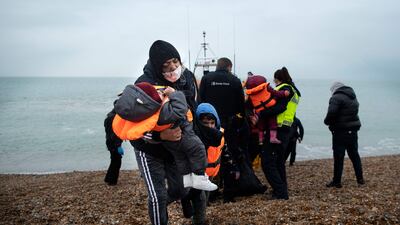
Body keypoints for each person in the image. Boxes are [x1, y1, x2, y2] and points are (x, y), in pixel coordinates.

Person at [125, 40, 205, 225]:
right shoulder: (143, 85)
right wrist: (159, 135)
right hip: (148, 148)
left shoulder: (187, 78)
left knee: (180, 190)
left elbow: (193, 109)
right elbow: (132, 129)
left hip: (176, 148)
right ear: (157, 66)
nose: (172, 67)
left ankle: (182, 203)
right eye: (166, 65)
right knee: (157, 196)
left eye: (175, 61)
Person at [112, 82, 216, 191]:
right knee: (198, 149)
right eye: (158, 94)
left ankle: (187, 178)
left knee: (180, 156)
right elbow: (180, 109)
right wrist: (174, 94)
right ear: (151, 103)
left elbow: (143, 133)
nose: (160, 93)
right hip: (183, 134)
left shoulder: (142, 115)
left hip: (169, 142)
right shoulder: (164, 113)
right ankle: (200, 177)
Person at [198, 57, 247, 202]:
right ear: (229, 67)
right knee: (228, 157)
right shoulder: (235, 80)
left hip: (209, 124)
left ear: (217, 66)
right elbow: (241, 106)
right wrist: (239, 124)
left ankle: (210, 193)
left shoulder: (207, 79)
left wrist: (200, 123)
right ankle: (229, 194)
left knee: (207, 157)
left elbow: (199, 102)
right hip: (229, 124)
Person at [259, 67, 301, 200]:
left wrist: (261, 113)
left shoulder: (283, 88)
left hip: (276, 128)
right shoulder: (295, 91)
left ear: (277, 79)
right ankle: (282, 189)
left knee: (267, 162)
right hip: (287, 129)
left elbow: (279, 108)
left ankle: (281, 191)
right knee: (278, 162)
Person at [181, 103, 224, 218]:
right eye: (205, 123)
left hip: (210, 174)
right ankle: (197, 219)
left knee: (205, 200)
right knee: (200, 200)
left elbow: (223, 154)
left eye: (212, 123)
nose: (209, 127)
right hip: (197, 176)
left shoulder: (220, 135)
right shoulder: (194, 138)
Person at [324, 82, 364, 188]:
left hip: (340, 131)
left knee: (339, 157)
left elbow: (331, 113)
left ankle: (337, 181)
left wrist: (327, 122)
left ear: (334, 89)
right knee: (354, 155)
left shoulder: (336, 98)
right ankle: (360, 179)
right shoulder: (352, 97)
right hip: (353, 130)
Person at [245, 74, 290, 145]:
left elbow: (249, 105)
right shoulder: (266, 87)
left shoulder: (250, 94)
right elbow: (276, 93)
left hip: (260, 111)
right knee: (273, 123)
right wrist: (284, 93)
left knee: (261, 125)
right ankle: (273, 138)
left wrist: (252, 115)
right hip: (270, 107)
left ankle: (260, 140)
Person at [103, 102, 123, 186]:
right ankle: (112, 181)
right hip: (113, 143)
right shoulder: (113, 118)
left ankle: (108, 178)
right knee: (116, 161)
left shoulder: (110, 116)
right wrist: (118, 146)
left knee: (114, 160)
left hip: (110, 142)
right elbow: (113, 134)